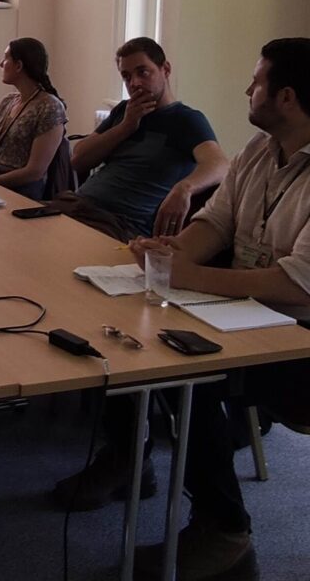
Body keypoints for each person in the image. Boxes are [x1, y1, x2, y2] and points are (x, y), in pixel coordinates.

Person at [61, 39, 310, 581]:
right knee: (143, 343)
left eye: (257, 81)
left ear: (286, 96)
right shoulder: (259, 152)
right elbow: (214, 223)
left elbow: (300, 288)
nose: (247, 89)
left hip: (298, 336)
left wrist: (186, 276)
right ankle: (149, 473)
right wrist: (169, 255)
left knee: (189, 379)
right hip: (245, 313)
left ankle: (224, 532)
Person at [49, 37, 228, 241]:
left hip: (117, 225)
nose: (134, 83)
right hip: (75, 205)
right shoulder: (124, 111)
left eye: (143, 72)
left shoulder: (185, 119)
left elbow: (220, 164)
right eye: (126, 77)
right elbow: (79, 159)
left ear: (165, 69)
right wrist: (125, 127)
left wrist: (184, 188)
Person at [0, 38, 67, 199]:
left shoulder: (50, 107)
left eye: (6, 58)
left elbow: (35, 171)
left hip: (18, 190)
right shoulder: (8, 101)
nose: (1, 64)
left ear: (19, 66)